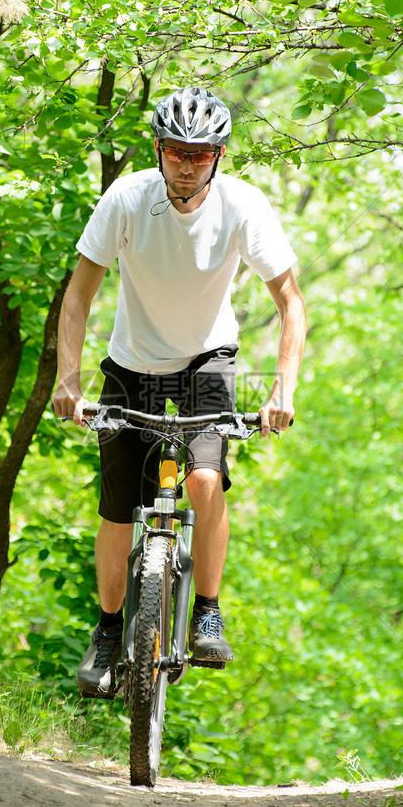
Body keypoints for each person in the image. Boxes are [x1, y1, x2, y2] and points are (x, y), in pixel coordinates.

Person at [51, 85, 306, 698]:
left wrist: (281, 391)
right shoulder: (127, 198)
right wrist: (68, 381)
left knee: (203, 480)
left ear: (217, 155)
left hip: (206, 362)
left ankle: (207, 610)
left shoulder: (243, 206)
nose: (186, 164)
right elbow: (78, 298)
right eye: (175, 151)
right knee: (118, 503)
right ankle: (109, 632)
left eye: (199, 153)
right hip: (131, 363)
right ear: (159, 150)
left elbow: (290, 303)